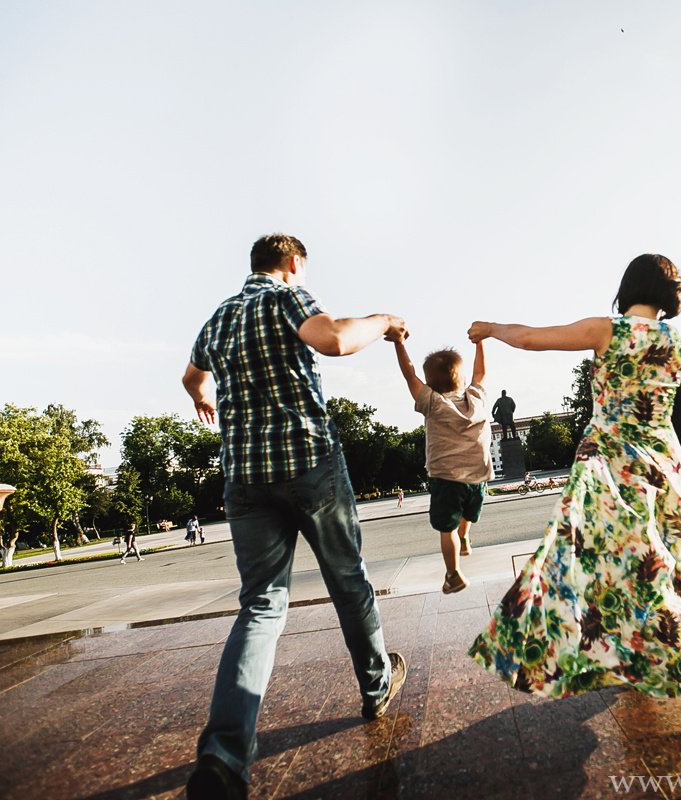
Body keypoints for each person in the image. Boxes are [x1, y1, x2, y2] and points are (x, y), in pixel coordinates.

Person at [466, 253, 681, 781]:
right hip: (664, 463)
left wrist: (489, 329)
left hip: (610, 464)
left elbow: (533, 337)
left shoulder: (608, 329)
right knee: (665, 570)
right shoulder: (677, 342)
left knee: (625, 577)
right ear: (670, 294)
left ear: (628, 288)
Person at [181, 233, 409, 800]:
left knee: (260, 606)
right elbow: (332, 339)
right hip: (307, 463)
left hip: (245, 477)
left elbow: (191, 375)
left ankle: (223, 754)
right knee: (347, 580)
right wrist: (384, 320)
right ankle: (377, 686)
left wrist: (201, 397)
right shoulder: (285, 297)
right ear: (292, 263)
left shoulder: (219, 318)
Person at [393, 339, 493, 593]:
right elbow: (480, 372)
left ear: (430, 384)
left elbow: (409, 374)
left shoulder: (433, 403)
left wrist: (399, 343)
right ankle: (465, 535)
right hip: (478, 479)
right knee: (468, 514)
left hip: (447, 479)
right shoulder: (476, 397)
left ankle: (453, 573)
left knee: (445, 528)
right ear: (461, 380)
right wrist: (480, 342)